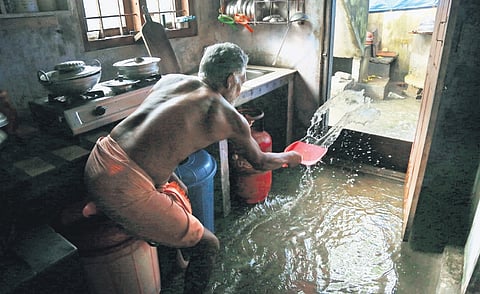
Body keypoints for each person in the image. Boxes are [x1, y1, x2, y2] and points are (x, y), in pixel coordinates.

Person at [83, 42, 302, 293]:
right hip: (122, 183)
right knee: (208, 245)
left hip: (99, 158)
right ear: (231, 80)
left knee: (178, 196)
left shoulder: (172, 80)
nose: (240, 88)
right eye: (241, 80)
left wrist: (170, 178)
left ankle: (175, 267)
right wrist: (290, 157)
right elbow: (260, 161)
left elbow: (154, 137)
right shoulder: (227, 115)